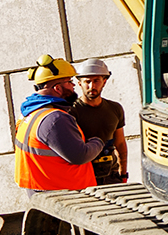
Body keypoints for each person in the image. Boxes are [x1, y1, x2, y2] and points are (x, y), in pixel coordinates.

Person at [14, 56, 108, 192]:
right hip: (64, 194)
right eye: (69, 81)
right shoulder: (55, 118)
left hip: (41, 190)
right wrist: (98, 142)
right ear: (58, 88)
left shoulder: (29, 113)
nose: (74, 85)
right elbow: (80, 155)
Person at [71, 58, 129, 185]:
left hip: (111, 176)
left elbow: (120, 143)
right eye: (87, 81)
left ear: (104, 82)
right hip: (84, 177)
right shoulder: (71, 111)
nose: (92, 86)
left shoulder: (115, 108)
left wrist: (123, 173)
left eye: (96, 81)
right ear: (79, 84)